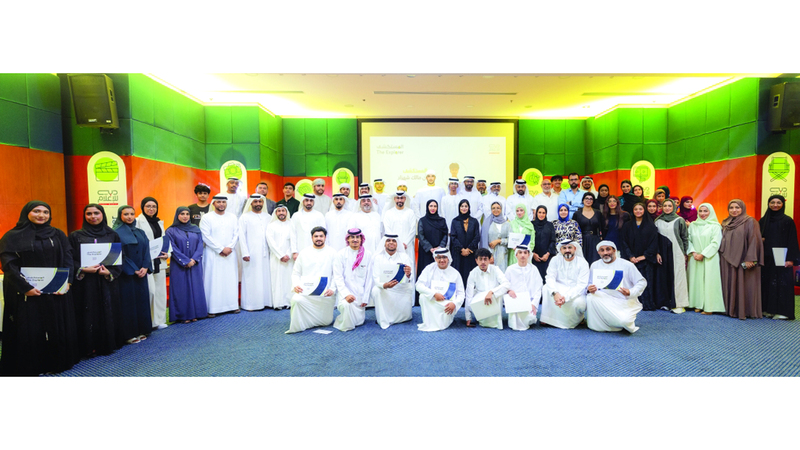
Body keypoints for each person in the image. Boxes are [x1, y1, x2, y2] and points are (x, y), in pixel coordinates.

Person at [0, 201, 79, 375]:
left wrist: (67, 281)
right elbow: (9, 265)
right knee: (30, 327)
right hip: (26, 292)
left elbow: (68, 258)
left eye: (45, 212)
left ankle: (57, 362)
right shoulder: (12, 236)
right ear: (26, 213)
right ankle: (32, 366)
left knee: (56, 325)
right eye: (36, 211)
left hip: (56, 289)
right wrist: (25, 287)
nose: (41, 215)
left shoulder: (58, 234)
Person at [69, 204, 123, 356]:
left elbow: (120, 257)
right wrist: (82, 268)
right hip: (85, 283)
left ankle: (107, 344)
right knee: (87, 311)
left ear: (102, 215)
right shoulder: (75, 236)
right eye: (89, 214)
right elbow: (69, 259)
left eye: (96, 213)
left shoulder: (112, 234)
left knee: (107, 310)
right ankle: (88, 346)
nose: (93, 217)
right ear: (84, 216)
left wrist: (110, 272)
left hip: (106, 281)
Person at [586, 241, 647, 333]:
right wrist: (589, 288)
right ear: (598, 252)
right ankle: (598, 326)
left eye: (608, 249)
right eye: (602, 250)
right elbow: (589, 283)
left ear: (614, 250)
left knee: (624, 322)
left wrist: (630, 292)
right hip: (603, 300)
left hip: (623, 301)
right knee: (591, 297)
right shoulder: (595, 265)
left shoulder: (627, 265)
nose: (605, 253)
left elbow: (641, 282)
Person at [620, 203, 671, 311]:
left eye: (640, 209)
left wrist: (644, 256)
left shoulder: (651, 225)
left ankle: (646, 303)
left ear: (644, 211)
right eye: (636, 209)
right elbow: (624, 242)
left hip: (646, 260)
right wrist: (631, 256)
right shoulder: (627, 225)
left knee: (646, 282)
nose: (638, 211)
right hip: (631, 260)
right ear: (633, 211)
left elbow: (654, 243)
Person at [113, 205, 153, 344]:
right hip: (126, 274)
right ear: (120, 215)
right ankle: (129, 334)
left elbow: (147, 250)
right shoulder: (115, 233)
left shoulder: (140, 231)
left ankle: (143, 330)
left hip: (141, 272)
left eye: (132, 214)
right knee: (128, 303)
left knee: (141, 301)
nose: (129, 217)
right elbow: (119, 254)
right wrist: (133, 269)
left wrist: (145, 266)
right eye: (126, 214)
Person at [286, 227, 337, 333]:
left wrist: (332, 289)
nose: (318, 238)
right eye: (316, 236)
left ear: (325, 237)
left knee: (326, 322)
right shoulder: (304, 253)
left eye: (321, 236)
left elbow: (337, 274)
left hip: (325, 295)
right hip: (306, 294)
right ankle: (299, 326)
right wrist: (296, 285)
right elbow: (296, 273)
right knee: (296, 300)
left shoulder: (333, 253)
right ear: (312, 238)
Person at [720, 199, 764, 319]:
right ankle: (729, 309)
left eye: (737, 207)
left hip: (743, 258)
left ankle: (744, 311)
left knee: (744, 284)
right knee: (728, 283)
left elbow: (754, 240)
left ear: (742, 208)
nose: (734, 210)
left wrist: (751, 258)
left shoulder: (750, 221)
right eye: (731, 208)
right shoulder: (726, 222)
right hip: (726, 259)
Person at [165, 206, 208, 323]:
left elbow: (200, 245)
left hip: (195, 264)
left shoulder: (195, 229)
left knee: (196, 287)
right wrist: (185, 261)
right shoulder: (171, 230)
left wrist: (193, 259)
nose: (185, 216)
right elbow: (172, 248)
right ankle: (183, 315)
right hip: (179, 265)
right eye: (182, 214)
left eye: (187, 214)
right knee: (181, 289)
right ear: (177, 215)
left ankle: (197, 313)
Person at [199, 194, 240, 317]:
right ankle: (213, 308)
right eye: (219, 202)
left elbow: (236, 234)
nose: (221, 204)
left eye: (223, 202)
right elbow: (205, 236)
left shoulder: (232, 217)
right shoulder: (206, 217)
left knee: (230, 279)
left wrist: (229, 247)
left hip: (230, 253)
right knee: (213, 279)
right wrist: (220, 249)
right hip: (213, 254)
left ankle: (232, 306)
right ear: (213, 203)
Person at [759, 195, 799, 320]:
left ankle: (783, 312)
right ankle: (768, 310)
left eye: (778, 202)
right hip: (767, 258)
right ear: (768, 204)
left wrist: (790, 259)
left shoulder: (787, 220)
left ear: (783, 204)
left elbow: (792, 240)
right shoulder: (763, 221)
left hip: (782, 258)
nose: (775, 205)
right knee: (767, 283)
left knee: (782, 284)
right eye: (772, 202)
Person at [135, 197, 169, 330]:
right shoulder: (138, 221)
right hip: (146, 261)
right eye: (148, 206)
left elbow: (164, 240)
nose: (151, 209)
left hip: (159, 261)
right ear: (143, 207)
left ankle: (159, 320)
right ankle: (148, 321)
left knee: (160, 292)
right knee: (151, 291)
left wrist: (167, 253)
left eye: (154, 206)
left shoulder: (159, 222)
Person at [540, 240, 590, 329]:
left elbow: (581, 285)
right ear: (560, 250)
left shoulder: (583, 263)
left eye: (569, 247)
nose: (567, 250)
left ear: (575, 249)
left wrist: (565, 297)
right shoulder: (555, 260)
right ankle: (548, 319)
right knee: (546, 288)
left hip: (576, 291)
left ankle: (578, 319)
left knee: (580, 304)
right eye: (564, 248)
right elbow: (550, 277)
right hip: (559, 289)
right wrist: (555, 293)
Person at [686, 203, 725, 315]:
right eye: (700, 211)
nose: (702, 213)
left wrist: (703, 254)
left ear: (710, 212)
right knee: (696, 280)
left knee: (709, 281)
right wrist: (693, 252)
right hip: (694, 256)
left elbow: (715, 243)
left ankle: (709, 307)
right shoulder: (693, 225)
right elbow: (688, 240)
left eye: (705, 211)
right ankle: (698, 304)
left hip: (709, 257)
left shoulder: (715, 226)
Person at [332, 229, 374, 332]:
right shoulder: (341, 254)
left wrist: (365, 298)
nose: (355, 240)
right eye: (352, 237)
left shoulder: (368, 254)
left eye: (357, 237)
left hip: (360, 294)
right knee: (346, 305)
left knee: (358, 322)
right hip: (345, 293)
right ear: (348, 239)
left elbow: (369, 278)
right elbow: (338, 277)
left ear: (361, 239)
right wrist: (346, 294)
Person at [415, 249, 465, 332]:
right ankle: (428, 322)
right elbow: (418, 285)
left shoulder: (455, 273)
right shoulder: (429, 269)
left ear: (448, 258)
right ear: (435, 258)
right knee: (423, 296)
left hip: (447, 304)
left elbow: (461, 294)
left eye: (444, 257)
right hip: (433, 300)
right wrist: (434, 294)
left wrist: (454, 304)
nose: (442, 260)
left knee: (443, 324)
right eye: (439, 257)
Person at [371, 234, 414, 329]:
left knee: (405, 316)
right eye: (388, 240)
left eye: (394, 241)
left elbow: (410, 279)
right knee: (375, 290)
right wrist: (384, 285)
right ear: (384, 243)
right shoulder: (378, 258)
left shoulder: (404, 257)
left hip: (401, 289)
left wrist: (408, 274)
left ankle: (399, 317)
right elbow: (375, 277)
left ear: (397, 244)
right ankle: (383, 319)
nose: (391, 243)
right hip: (385, 288)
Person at [654, 198, 689, 313]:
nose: (667, 208)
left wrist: (685, 253)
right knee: (664, 276)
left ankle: (679, 304)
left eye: (670, 206)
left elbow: (685, 237)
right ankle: (665, 302)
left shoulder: (679, 220)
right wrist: (657, 252)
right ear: (662, 207)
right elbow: (655, 239)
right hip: (662, 253)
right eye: (665, 206)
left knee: (678, 277)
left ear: (674, 207)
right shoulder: (658, 221)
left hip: (677, 251)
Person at [239, 195, 272, 311]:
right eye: (255, 202)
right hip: (251, 253)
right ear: (251, 203)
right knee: (251, 278)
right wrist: (245, 253)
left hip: (266, 253)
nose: (258, 204)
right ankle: (251, 304)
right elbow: (241, 236)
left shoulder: (268, 217)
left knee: (265, 277)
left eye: (260, 201)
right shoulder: (244, 217)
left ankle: (266, 302)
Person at [464, 248, 511, 329]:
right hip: (480, 302)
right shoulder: (473, 273)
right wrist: (468, 318)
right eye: (480, 259)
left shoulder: (495, 269)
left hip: (494, 298)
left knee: (500, 291)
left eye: (485, 259)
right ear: (476, 261)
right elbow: (469, 295)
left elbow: (507, 284)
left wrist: (492, 292)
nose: (483, 262)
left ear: (489, 260)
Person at [503, 245, 543, 331]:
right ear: (516, 255)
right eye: (520, 252)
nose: (523, 255)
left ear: (529, 255)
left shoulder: (534, 269)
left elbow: (538, 288)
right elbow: (504, 285)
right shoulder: (510, 269)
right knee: (514, 323)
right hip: (515, 301)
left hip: (530, 302)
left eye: (525, 253)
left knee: (530, 319)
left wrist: (534, 304)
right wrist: (509, 291)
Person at [266, 204, 297, 310]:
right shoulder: (271, 225)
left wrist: (288, 254)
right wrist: (281, 255)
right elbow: (271, 242)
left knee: (289, 279)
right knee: (277, 279)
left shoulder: (291, 224)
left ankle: (289, 302)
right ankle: (278, 303)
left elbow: (294, 240)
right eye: (279, 211)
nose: (281, 213)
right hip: (276, 257)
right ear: (276, 213)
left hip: (289, 258)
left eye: (283, 211)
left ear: (286, 212)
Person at [382, 191, 418, 278]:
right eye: (398, 198)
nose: (400, 200)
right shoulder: (389, 213)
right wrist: (396, 243)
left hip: (407, 246)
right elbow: (387, 229)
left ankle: (410, 287)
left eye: (401, 198)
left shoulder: (410, 212)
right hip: (393, 247)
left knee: (409, 269)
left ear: (405, 199)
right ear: (394, 199)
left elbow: (413, 229)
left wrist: (405, 243)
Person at [450, 199, 481, 285]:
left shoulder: (474, 221)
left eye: (466, 206)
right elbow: (453, 237)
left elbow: (477, 236)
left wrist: (468, 249)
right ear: (459, 208)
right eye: (462, 206)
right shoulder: (455, 221)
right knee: (458, 275)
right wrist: (462, 249)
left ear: (469, 208)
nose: (464, 208)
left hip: (471, 254)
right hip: (458, 254)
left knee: (470, 276)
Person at [417, 199, 450, 281]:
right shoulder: (422, 221)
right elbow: (421, 235)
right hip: (426, 251)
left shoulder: (442, 220)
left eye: (435, 206)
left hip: (439, 252)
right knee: (425, 272)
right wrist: (430, 248)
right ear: (427, 207)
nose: (433, 208)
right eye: (431, 206)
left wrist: (440, 247)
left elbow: (445, 234)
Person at [572, 192, 604, 265]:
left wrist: (601, 238)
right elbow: (574, 229)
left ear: (593, 201)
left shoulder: (598, 213)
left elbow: (601, 226)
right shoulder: (577, 214)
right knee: (582, 261)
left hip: (595, 240)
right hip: (582, 240)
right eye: (586, 198)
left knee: (595, 261)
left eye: (591, 199)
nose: (588, 200)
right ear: (583, 200)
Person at [481, 201, 509, 272]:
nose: (496, 210)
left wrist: (499, 241)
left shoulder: (507, 224)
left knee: (501, 274)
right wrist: (488, 255)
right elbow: (484, 240)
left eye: (498, 208)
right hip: (490, 255)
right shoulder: (487, 223)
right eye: (493, 208)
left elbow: (511, 240)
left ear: (501, 209)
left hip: (502, 255)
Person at [531, 205, 557, 280]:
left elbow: (553, 240)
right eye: (539, 212)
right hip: (533, 258)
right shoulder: (531, 224)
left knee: (546, 278)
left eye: (543, 213)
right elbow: (529, 240)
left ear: (546, 214)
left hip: (546, 257)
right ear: (536, 213)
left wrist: (547, 254)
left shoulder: (550, 225)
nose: (541, 215)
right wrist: (533, 253)